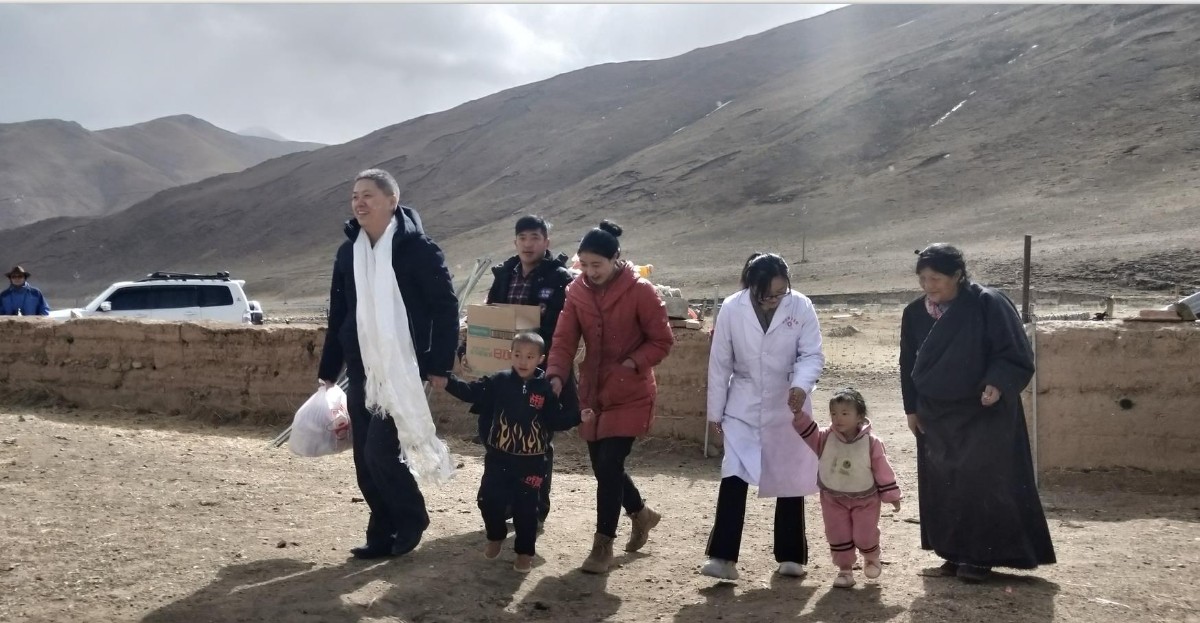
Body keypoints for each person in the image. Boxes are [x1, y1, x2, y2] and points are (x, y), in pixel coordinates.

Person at [317, 169, 460, 560]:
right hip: (362, 367)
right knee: (364, 461)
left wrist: (439, 363)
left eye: (368, 195)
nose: (359, 202)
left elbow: (445, 307)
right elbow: (340, 311)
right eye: (354, 196)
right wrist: (328, 370)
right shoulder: (349, 252)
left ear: (392, 201)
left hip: (404, 368)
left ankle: (412, 518)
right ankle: (381, 532)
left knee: (380, 452)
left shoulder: (418, 249)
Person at [899, 243, 1055, 583]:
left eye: (935, 278)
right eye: (923, 279)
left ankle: (981, 556)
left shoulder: (988, 303)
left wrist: (997, 383)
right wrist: (911, 408)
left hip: (983, 410)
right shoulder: (914, 313)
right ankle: (953, 552)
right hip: (936, 413)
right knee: (944, 482)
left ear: (957, 275)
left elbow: (1013, 352)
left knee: (982, 481)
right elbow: (907, 362)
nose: (928, 286)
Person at [546, 219, 674, 574]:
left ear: (616, 258)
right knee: (604, 467)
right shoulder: (577, 293)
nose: (590, 272)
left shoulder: (641, 291)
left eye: (597, 265)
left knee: (609, 464)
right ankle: (641, 513)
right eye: (584, 264)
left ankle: (602, 545)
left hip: (631, 390)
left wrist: (632, 363)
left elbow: (662, 340)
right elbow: (563, 340)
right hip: (593, 393)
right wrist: (555, 375)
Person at [701, 252, 825, 581]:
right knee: (734, 473)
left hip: (788, 403)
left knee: (789, 476)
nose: (774, 300)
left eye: (780, 293)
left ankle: (791, 555)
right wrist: (715, 412)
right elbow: (720, 363)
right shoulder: (732, 308)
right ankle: (722, 557)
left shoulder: (801, 306)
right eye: (766, 295)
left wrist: (800, 386)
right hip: (743, 404)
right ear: (751, 287)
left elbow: (811, 354)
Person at [443, 332, 580, 573]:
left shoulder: (545, 389)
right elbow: (472, 392)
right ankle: (495, 535)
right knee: (489, 500)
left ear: (541, 359)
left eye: (529, 356)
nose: (523, 361)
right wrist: (447, 382)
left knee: (527, 509)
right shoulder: (499, 381)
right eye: (518, 355)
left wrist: (579, 417)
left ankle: (524, 553)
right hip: (499, 459)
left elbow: (555, 420)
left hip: (532, 462)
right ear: (510, 355)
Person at [476, 215, 578, 526]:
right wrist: (472, 349)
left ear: (547, 242)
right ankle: (506, 503)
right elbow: (490, 318)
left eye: (535, 237)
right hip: (504, 375)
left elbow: (562, 330)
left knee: (536, 441)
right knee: (495, 434)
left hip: (538, 375)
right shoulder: (504, 274)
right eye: (522, 238)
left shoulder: (559, 279)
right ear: (515, 242)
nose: (528, 244)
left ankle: (534, 508)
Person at [795, 388, 902, 588]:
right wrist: (799, 414)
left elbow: (882, 469)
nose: (838, 418)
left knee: (865, 534)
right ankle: (845, 570)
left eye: (845, 413)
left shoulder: (871, 442)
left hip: (866, 499)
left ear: (859, 416)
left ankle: (871, 557)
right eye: (834, 413)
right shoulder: (825, 438)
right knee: (837, 533)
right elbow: (808, 431)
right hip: (833, 498)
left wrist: (891, 495)